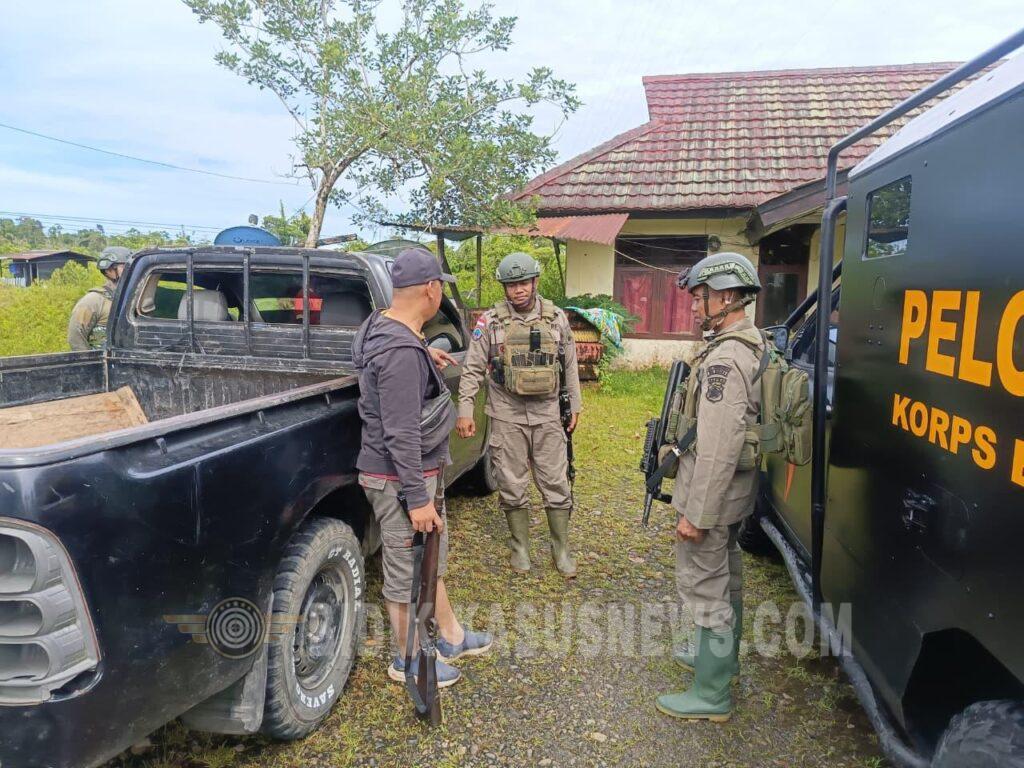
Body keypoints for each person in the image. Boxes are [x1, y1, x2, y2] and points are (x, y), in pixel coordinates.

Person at [352, 246, 492, 688]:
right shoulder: (399, 352)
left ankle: (451, 637)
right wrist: (416, 499)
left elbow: (388, 371)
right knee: (404, 572)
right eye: (439, 289)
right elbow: (400, 432)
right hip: (399, 481)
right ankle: (407, 659)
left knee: (431, 557)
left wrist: (423, 354)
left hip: (416, 474)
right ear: (432, 290)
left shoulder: (386, 327)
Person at [655, 252, 764, 722]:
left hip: (712, 497)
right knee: (726, 576)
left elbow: (719, 446)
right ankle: (720, 661)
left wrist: (696, 515)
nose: (695, 306)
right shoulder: (748, 343)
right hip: (732, 495)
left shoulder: (726, 359)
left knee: (706, 587)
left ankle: (711, 693)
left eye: (701, 297)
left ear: (726, 296)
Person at [456, 252, 582, 577]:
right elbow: (472, 368)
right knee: (511, 482)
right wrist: (465, 409)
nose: (519, 290)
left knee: (556, 481)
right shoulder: (490, 322)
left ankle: (561, 550)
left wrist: (575, 405)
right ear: (504, 287)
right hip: (507, 413)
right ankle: (520, 549)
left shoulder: (556, 318)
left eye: (524, 282)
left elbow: (569, 365)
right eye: (512, 285)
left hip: (548, 413)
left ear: (535, 281)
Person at [67, 246, 132, 350]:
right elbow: (76, 336)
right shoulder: (93, 301)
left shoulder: (133, 297)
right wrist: (88, 359)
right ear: (109, 270)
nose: (130, 271)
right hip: (102, 358)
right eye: (125, 266)